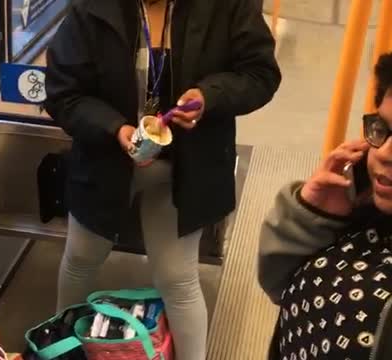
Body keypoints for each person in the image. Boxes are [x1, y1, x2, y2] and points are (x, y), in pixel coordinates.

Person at [44, 0, 281, 358]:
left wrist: (209, 96)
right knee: (80, 258)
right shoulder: (90, 8)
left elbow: (260, 74)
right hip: (107, 158)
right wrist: (114, 128)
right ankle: (59, 348)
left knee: (178, 279)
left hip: (187, 167)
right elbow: (64, 94)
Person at [258, 52, 392, 360]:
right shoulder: (362, 208)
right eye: (382, 129)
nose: (384, 153)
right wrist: (311, 217)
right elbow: (280, 286)